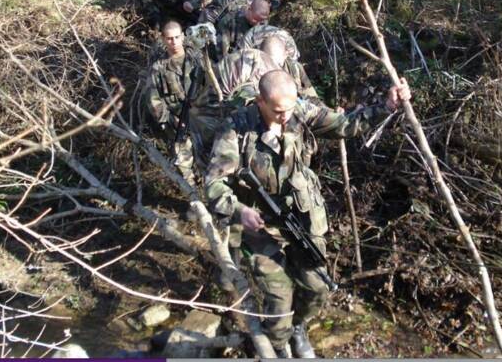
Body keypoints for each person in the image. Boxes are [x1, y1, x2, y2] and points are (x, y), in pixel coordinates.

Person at [205, 70, 411, 357]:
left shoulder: (298, 110)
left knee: (317, 286)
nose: (285, 116)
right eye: (278, 110)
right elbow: (214, 184)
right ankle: (277, 345)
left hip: (301, 219)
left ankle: (299, 327)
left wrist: (388, 106)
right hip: (260, 227)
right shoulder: (236, 128)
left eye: (290, 108)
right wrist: (240, 211)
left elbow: (345, 124)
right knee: (278, 295)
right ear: (260, 101)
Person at [146, 21, 203, 184]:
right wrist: (169, 119)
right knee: (182, 158)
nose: (174, 42)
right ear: (163, 39)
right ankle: (191, 189)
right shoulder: (158, 68)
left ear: (183, 37)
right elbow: (153, 99)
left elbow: (212, 86)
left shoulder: (197, 59)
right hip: (176, 120)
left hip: (202, 115)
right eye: (169, 38)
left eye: (177, 37)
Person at [260, 36, 320, 103]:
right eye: (270, 62)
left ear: (285, 54)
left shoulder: (295, 67)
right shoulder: (255, 72)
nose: (274, 67)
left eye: (278, 64)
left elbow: (312, 96)